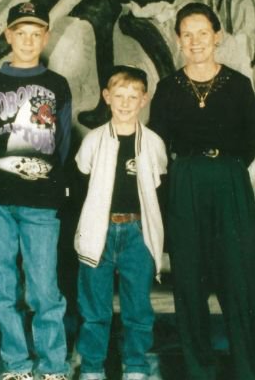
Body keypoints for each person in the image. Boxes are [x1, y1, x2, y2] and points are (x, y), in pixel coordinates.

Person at [148, 2, 255, 380]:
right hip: (185, 184)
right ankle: (198, 371)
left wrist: (221, 171)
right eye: (187, 34)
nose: (195, 41)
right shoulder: (167, 89)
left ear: (217, 36)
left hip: (230, 181)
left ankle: (245, 369)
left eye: (202, 33)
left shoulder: (239, 85)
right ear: (179, 41)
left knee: (239, 280)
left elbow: (250, 143)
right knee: (189, 283)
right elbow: (159, 148)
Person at [0, 1, 73, 380]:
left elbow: (60, 143)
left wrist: (41, 174)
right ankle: (16, 366)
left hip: (41, 197)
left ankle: (53, 366)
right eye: (21, 33)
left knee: (44, 289)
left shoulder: (56, 84)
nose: (28, 41)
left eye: (36, 34)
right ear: (8, 36)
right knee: (2, 286)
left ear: (45, 37)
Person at [73, 65, 168, 380]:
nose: (125, 103)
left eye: (133, 96)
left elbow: (159, 191)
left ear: (144, 100)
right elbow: (80, 187)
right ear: (106, 97)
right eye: (119, 96)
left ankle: (137, 366)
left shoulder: (153, 143)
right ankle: (91, 367)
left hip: (137, 232)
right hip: (98, 232)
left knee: (137, 308)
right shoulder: (93, 141)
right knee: (94, 311)